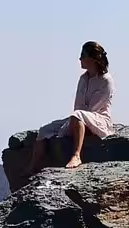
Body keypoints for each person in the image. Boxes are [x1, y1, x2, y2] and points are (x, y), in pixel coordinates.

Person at [31, 41, 116, 171]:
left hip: (99, 120)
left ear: (93, 58)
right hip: (79, 117)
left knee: (77, 116)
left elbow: (94, 108)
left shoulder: (106, 80)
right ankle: (33, 166)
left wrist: (70, 124)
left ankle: (76, 155)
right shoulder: (83, 78)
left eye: (83, 55)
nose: (80, 59)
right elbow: (78, 106)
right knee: (44, 130)